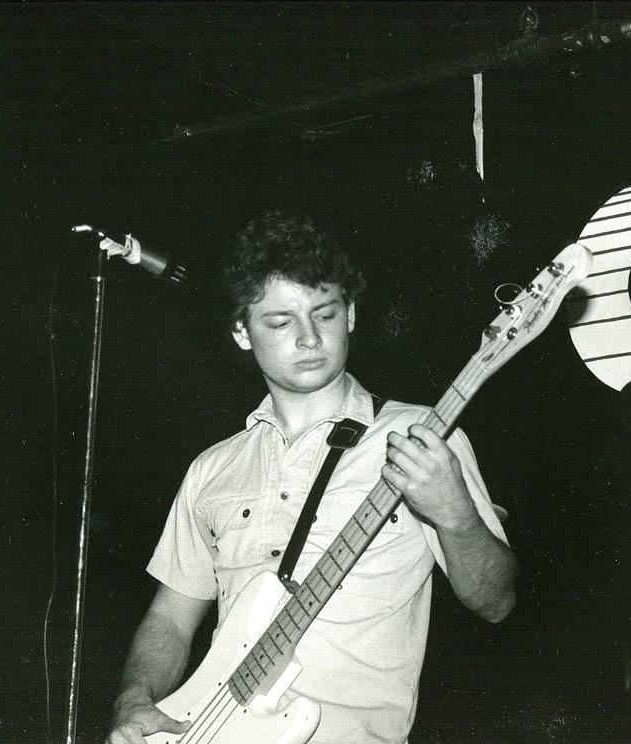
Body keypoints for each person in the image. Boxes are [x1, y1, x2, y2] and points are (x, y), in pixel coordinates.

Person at [106, 210, 517, 744]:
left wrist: (456, 514)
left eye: (324, 314)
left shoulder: (423, 437)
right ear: (241, 332)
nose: (308, 338)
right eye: (279, 322)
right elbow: (170, 620)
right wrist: (134, 701)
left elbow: (495, 602)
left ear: (349, 316)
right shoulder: (212, 468)